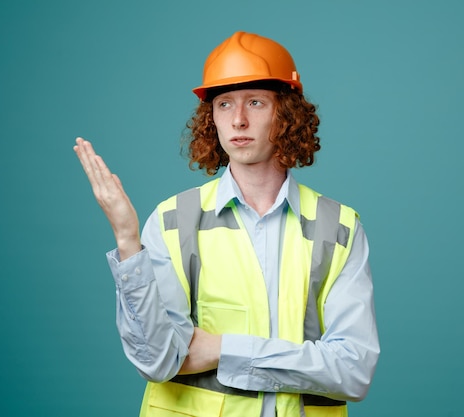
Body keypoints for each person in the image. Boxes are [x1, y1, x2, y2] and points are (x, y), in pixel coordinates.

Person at [74, 31, 379, 417]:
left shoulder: (338, 227)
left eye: (255, 102)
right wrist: (127, 240)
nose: (238, 119)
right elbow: (155, 361)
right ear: (211, 118)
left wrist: (221, 350)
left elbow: (353, 371)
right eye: (223, 104)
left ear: (286, 114)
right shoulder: (173, 222)